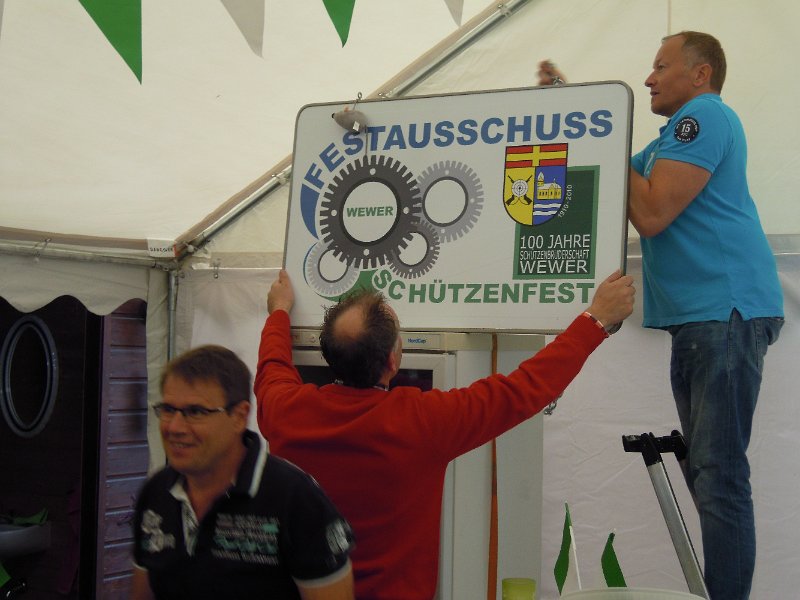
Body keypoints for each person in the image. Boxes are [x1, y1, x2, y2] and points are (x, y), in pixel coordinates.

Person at [540, 32, 784, 599]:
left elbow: (650, 212)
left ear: (700, 75)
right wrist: (578, 110)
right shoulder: (665, 143)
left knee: (718, 474)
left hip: (725, 311)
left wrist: (600, 124)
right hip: (703, 318)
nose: (648, 79)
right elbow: (614, 180)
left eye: (660, 66)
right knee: (709, 472)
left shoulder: (704, 117)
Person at [255, 268, 634, 599]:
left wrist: (279, 312)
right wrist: (596, 320)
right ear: (392, 361)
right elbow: (525, 388)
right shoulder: (422, 421)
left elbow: (273, 364)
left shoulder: (285, 411)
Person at [130, 345, 355, 600]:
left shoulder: (295, 498)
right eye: (168, 409)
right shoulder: (156, 493)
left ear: (239, 416)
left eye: (196, 412)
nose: (175, 427)